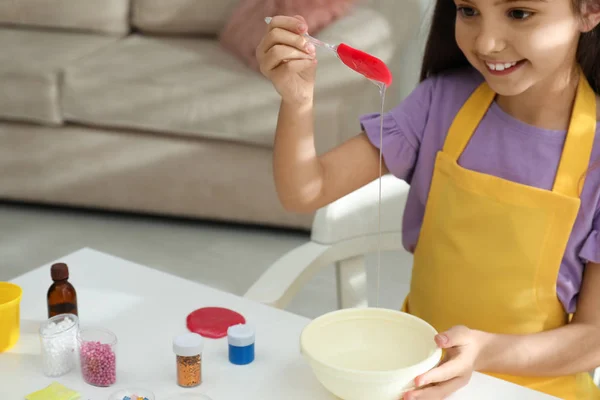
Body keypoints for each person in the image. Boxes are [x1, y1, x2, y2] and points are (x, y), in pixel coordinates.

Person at [256, 0, 600, 398]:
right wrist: (297, 100)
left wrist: (484, 351)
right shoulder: (439, 103)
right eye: (469, 10)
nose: (486, 43)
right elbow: (304, 191)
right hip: (415, 376)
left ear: (590, 10)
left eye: (518, 14)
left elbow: (592, 340)